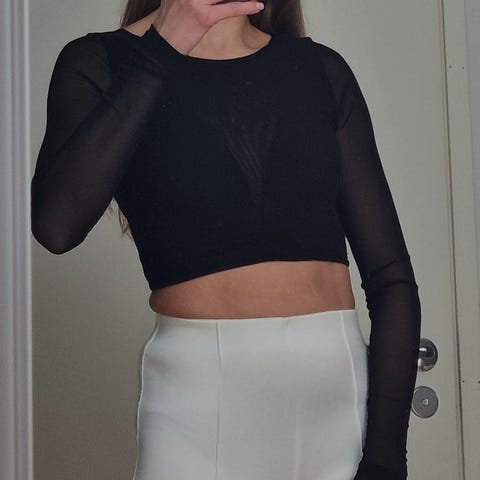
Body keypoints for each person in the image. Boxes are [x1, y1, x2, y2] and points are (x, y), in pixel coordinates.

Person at [30, 1, 422, 479]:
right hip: (196, 409)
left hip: (338, 412)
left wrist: (385, 460)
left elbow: (391, 279)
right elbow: (57, 226)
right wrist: (164, 46)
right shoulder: (101, 63)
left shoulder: (320, 70)